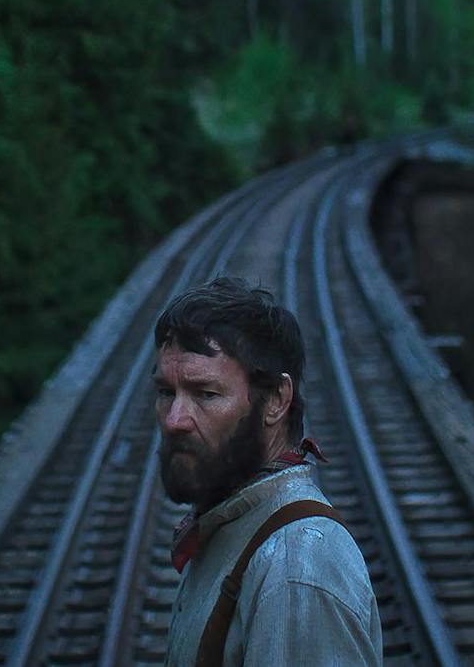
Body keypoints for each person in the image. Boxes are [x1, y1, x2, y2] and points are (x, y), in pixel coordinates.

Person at [153, 276, 382, 666]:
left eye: (205, 394)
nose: (175, 419)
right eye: (166, 392)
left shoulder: (296, 569)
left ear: (276, 399)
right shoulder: (235, 524)